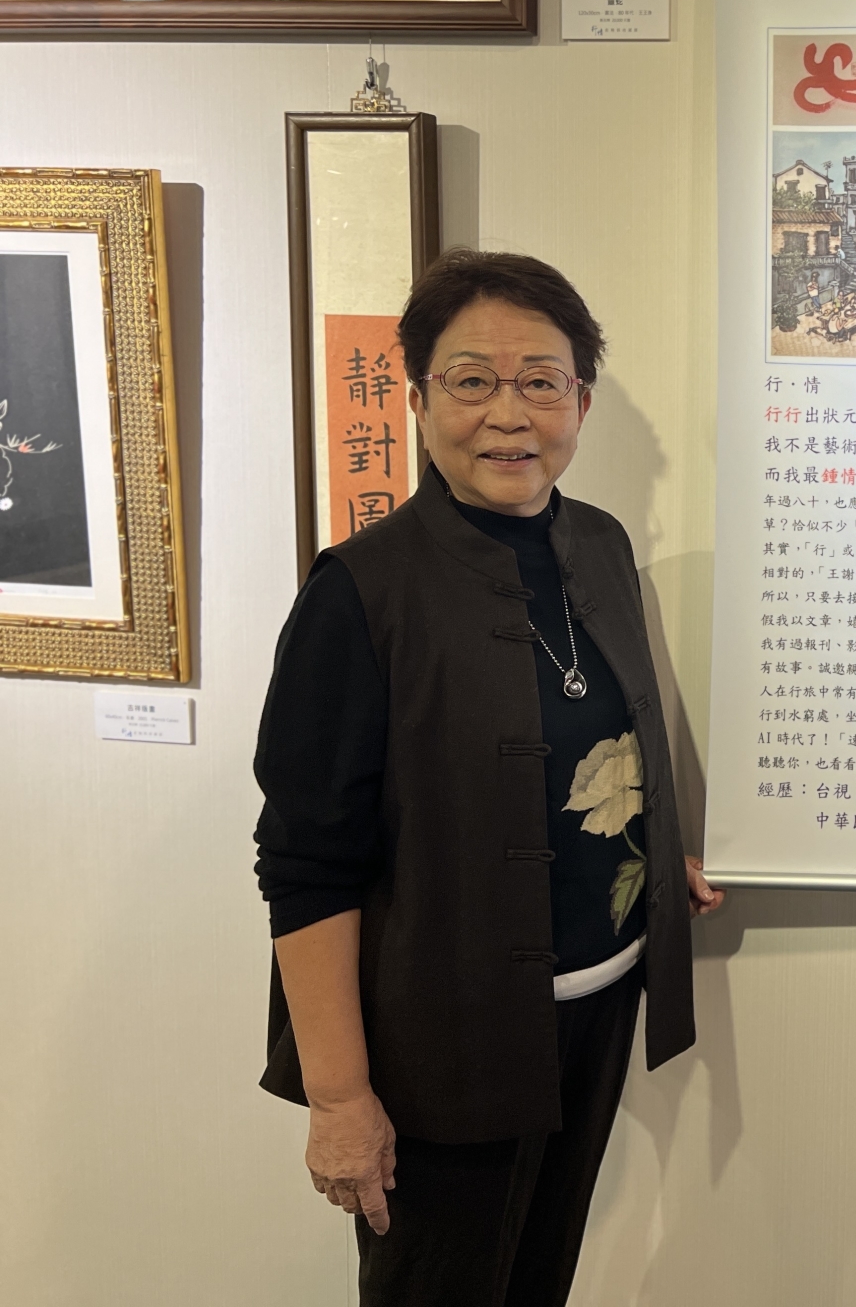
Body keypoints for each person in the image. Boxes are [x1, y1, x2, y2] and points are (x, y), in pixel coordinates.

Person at [253, 250, 726, 1306]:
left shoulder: (599, 544)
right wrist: (339, 1100)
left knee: (537, 1280)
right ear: (419, 400)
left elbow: (599, 746)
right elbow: (305, 864)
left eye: (540, 381)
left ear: (580, 403)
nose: (508, 414)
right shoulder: (360, 592)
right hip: (443, 1041)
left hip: (598, 1006)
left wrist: (652, 859)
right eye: (472, 380)